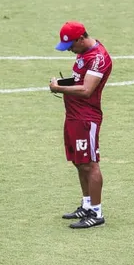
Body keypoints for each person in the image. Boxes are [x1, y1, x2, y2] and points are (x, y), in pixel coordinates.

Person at [48, 21, 112, 229]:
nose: (70, 51)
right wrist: (65, 83)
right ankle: (86, 204)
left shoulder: (98, 58)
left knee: (90, 164)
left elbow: (86, 90)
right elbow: (79, 79)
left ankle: (96, 212)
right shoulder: (84, 53)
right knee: (79, 161)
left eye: (71, 47)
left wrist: (59, 89)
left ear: (81, 39)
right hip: (74, 115)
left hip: (86, 118)